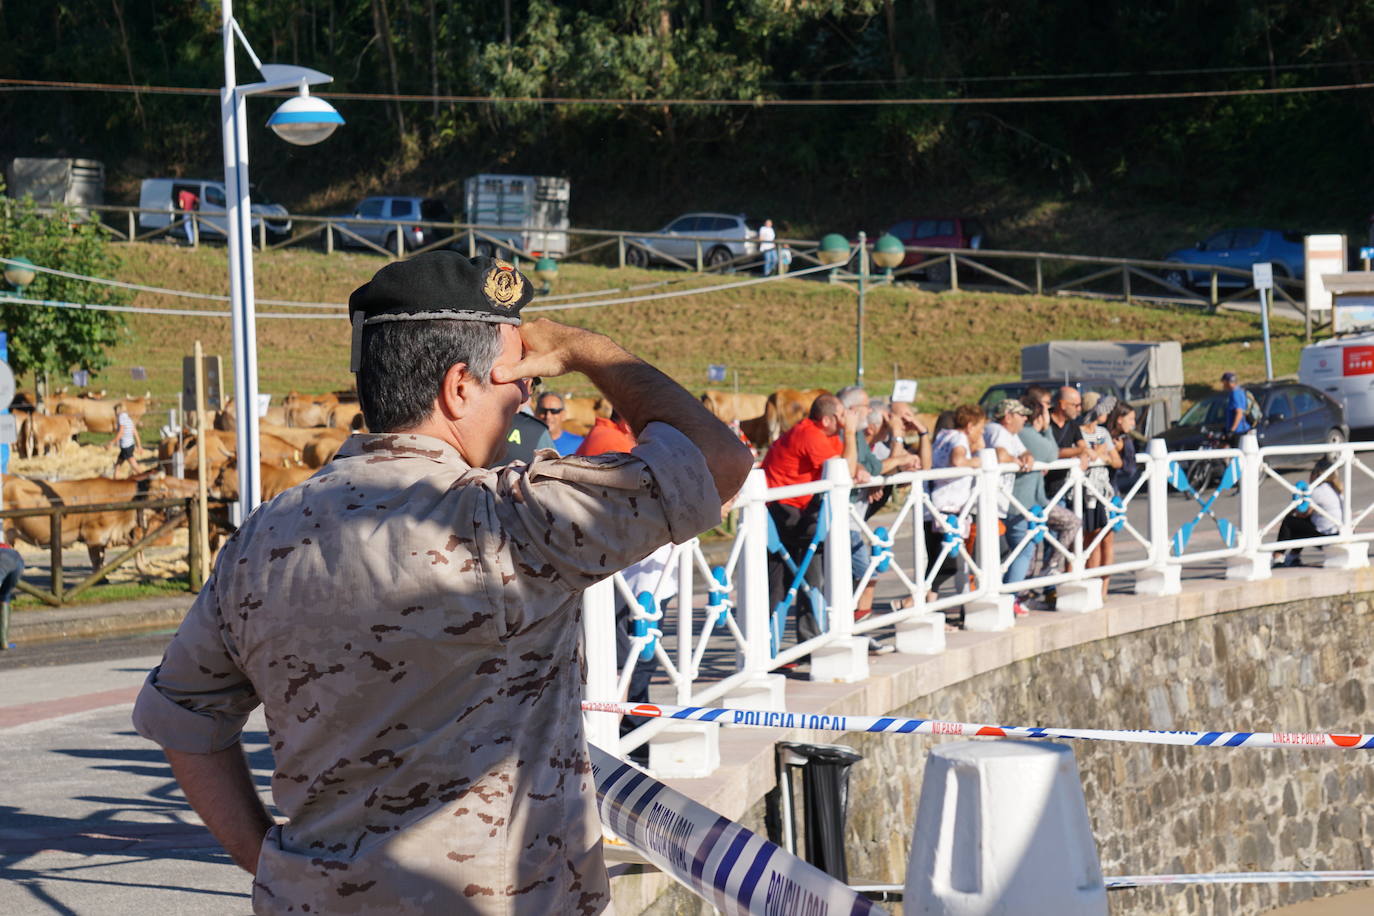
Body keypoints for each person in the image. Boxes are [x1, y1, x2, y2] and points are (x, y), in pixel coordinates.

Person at [131, 251, 753, 915]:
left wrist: (270, 861)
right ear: (459, 388)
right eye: (514, 380)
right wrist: (585, 349)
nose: (523, 399)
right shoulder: (512, 518)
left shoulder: (262, 537)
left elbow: (185, 718)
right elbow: (720, 459)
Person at [760, 393, 861, 644]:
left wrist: (858, 465)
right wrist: (850, 433)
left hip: (794, 509)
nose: (846, 418)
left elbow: (847, 466)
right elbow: (845, 472)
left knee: (806, 571)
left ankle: (810, 639)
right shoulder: (811, 435)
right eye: (841, 415)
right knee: (784, 579)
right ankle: (777, 644)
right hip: (781, 510)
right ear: (827, 420)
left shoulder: (821, 435)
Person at [1016, 393, 1081, 608]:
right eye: (1075, 404)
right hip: (1036, 498)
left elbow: (1090, 442)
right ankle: (1023, 593)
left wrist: (1086, 451)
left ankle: (1049, 575)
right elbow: (1053, 453)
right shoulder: (1032, 431)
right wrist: (1046, 431)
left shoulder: (1073, 426)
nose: (1079, 408)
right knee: (1030, 545)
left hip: (1046, 497)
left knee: (1069, 530)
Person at [925, 404, 986, 600]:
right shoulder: (959, 438)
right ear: (969, 426)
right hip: (948, 508)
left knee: (938, 561)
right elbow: (958, 461)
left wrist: (977, 445)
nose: (982, 432)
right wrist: (976, 462)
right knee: (947, 563)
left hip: (936, 504)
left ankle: (926, 606)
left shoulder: (944, 435)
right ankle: (911, 602)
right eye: (980, 428)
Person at [983, 399, 1035, 616]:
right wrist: (1018, 460)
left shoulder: (1011, 434)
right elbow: (1000, 455)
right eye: (1021, 415)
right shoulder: (997, 430)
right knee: (998, 553)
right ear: (1007, 416)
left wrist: (1026, 457)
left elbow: (1028, 452)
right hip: (992, 502)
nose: (1025, 419)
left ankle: (1007, 597)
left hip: (1006, 503)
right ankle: (1003, 598)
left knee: (1011, 550)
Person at [1077, 395, 1122, 597]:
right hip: (1081, 492)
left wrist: (1103, 455)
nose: (1106, 413)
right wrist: (1098, 453)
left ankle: (1098, 588)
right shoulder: (1078, 431)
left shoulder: (1101, 432)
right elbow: (1087, 452)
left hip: (1099, 493)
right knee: (1082, 540)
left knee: (1097, 537)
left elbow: (1115, 460)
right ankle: (1082, 583)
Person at [1276, 459, 1343, 567]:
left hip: (1327, 537)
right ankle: (1293, 557)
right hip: (1340, 532)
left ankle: (1277, 557)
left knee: (1290, 522)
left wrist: (1294, 507)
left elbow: (1302, 513)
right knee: (1303, 524)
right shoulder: (1336, 489)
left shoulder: (1318, 491)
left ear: (1317, 474)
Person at [502, 395, 555, 464]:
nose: (548, 416)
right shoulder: (537, 429)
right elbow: (551, 469)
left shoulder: (537, 429)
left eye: (554, 411)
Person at [1106, 401, 1140, 497]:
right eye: (1131, 419)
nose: (1133, 423)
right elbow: (1130, 469)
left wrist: (1123, 448)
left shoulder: (1125, 440)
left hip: (1112, 487)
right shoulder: (1103, 433)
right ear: (1120, 419)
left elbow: (1130, 469)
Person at [535, 391, 584, 455]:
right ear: (535, 413)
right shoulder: (526, 442)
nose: (548, 416)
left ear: (563, 415)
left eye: (554, 411)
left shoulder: (580, 444)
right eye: (543, 411)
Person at [113, 403, 141, 478]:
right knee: (117, 466)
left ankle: (145, 477)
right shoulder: (128, 419)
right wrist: (139, 446)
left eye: (115, 411)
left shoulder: (121, 417)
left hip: (126, 446)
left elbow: (121, 432)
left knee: (135, 467)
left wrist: (112, 442)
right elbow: (135, 432)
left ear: (118, 411)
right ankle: (114, 483)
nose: (114, 414)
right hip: (130, 445)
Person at [1222, 371, 1251, 444]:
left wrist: (1232, 430)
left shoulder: (1235, 393)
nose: (1223, 385)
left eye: (1224, 382)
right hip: (1240, 430)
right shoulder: (1239, 391)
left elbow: (1239, 413)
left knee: (1235, 454)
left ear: (1228, 382)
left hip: (1239, 431)